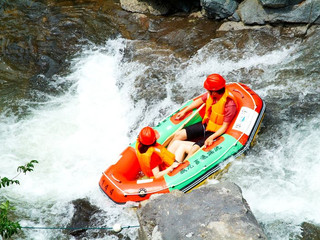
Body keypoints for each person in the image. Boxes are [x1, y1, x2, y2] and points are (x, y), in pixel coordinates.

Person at [167, 74, 237, 162]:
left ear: (214, 92)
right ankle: (166, 159)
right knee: (179, 135)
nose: (206, 90)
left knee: (194, 149)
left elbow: (224, 127)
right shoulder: (211, 95)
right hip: (207, 125)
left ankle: (179, 168)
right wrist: (185, 111)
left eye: (208, 89)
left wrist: (212, 137)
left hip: (216, 131)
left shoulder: (229, 104)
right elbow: (199, 101)